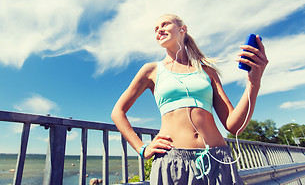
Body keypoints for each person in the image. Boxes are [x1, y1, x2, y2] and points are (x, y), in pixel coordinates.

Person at [111, 14, 268, 184]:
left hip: (218, 160)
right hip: (172, 162)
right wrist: (142, 148)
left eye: (165, 24)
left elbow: (234, 125)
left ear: (182, 29)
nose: (159, 30)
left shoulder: (207, 71)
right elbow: (117, 112)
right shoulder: (151, 70)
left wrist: (254, 82)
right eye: (156, 29)